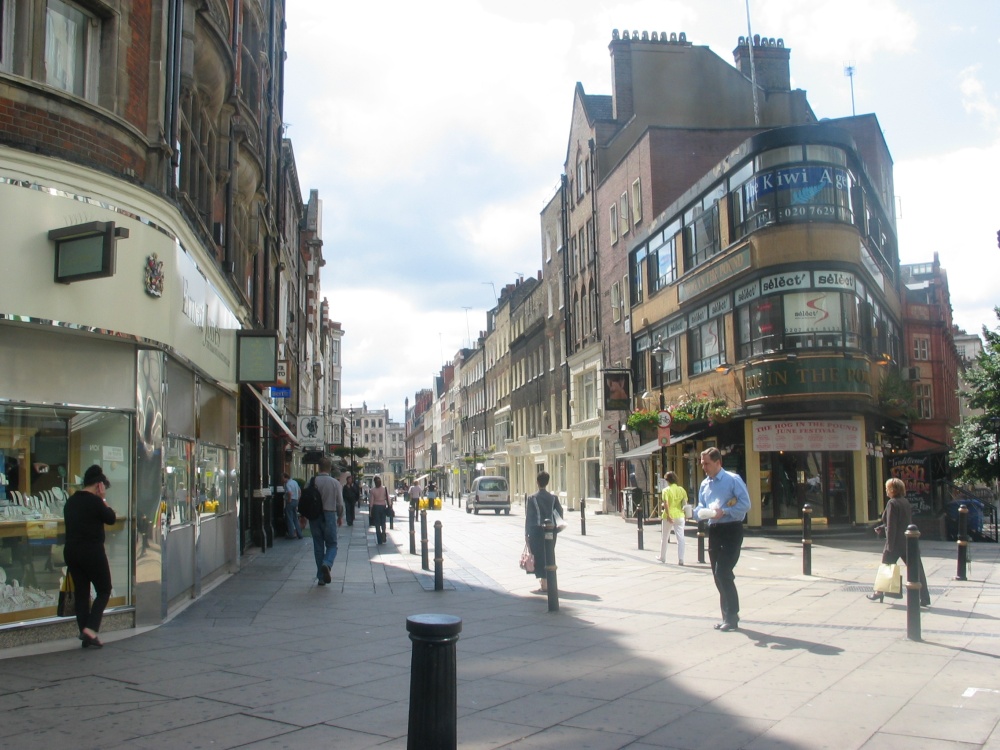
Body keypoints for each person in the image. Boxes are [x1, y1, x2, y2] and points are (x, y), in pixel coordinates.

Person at [695, 447, 751, 632]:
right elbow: (701, 506)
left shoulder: (732, 480)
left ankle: (732, 615)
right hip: (715, 529)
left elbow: (745, 504)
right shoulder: (705, 484)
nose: (704, 467)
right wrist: (696, 513)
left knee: (723, 572)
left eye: (707, 463)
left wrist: (724, 512)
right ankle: (726, 615)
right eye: (702, 463)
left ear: (718, 462)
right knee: (717, 575)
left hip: (731, 529)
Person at [63, 464, 116, 648]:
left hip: (71, 551)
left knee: (82, 593)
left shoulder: (71, 501)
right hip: (91, 551)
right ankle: (91, 629)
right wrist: (103, 499)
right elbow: (111, 518)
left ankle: (85, 633)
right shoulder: (95, 501)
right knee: (104, 589)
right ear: (98, 485)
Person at [867, 477, 931, 606]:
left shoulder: (892, 503)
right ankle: (924, 597)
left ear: (892, 489)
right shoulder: (905, 502)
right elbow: (903, 522)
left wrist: (889, 545)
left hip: (895, 542)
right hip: (908, 541)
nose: (886, 491)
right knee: (916, 568)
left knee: (886, 566)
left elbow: (892, 526)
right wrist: (882, 527)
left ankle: (880, 592)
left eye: (887, 488)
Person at [524, 471, 563, 593]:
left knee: (539, 557)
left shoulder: (532, 498)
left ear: (537, 482)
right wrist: (556, 528)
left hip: (536, 531)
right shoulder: (553, 498)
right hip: (551, 531)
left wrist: (526, 534)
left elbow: (529, 517)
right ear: (547, 482)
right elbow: (559, 513)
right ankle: (546, 582)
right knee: (549, 555)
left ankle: (544, 584)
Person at [310, 458, 345, 586]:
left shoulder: (312, 482)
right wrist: (340, 516)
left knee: (318, 545)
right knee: (332, 544)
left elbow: (306, 499)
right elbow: (340, 503)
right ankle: (327, 563)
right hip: (330, 514)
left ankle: (321, 577)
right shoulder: (335, 483)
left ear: (319, 468)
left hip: (314, 516)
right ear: (329, 468)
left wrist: (303, 517)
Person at [657, 471, 688, 566]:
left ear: (667, 480)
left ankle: (662, 557)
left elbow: (666, 503)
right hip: (680, 515)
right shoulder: (681, 490)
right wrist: (685, 514)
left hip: (668, 516)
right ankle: (681, 559)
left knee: (665, 537)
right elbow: (685, 503)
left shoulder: (666, 490)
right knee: (681, 537)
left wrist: (668, 514)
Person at [369, 476, 391, 544]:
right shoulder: (384, 489)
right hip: (383, 506)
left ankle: (379, 539)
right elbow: (388, 498)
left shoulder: (372, 490)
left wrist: (370, 510)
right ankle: (383, 533)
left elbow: (371, 501)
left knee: (377, 523)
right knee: (383, 521)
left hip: (375, 507)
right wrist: (389, 506)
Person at [283, 472, 302, 540]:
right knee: (295, 518)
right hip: (296, 501)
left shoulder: (288, 484)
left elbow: (289, 493)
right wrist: (298, 500)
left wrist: (289, 500)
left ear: (286, 477)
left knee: (289, 518)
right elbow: (299, 491)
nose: (282, 480)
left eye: (283, 478)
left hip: (291, 501)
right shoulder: (295, 482)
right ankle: (300, 534)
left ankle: (291, 534)